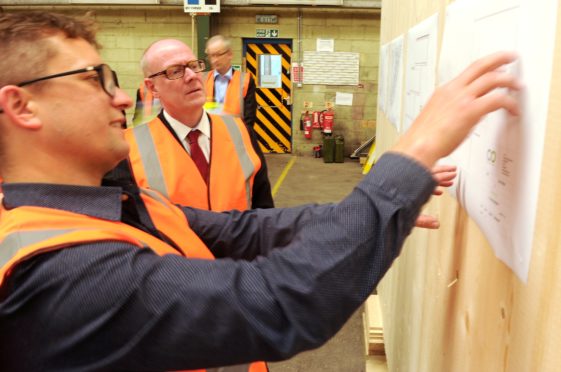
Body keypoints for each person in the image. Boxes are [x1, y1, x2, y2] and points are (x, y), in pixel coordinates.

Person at [0, 11, 520, 372]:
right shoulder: (58, 271)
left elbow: (246, 225)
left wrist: (370, 211)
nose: (119, 97)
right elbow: (279, 299)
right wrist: (413, 154)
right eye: (96, 79)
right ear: (22, 107)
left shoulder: (116, 205)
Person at [125, 38, 274, 212]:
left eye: (194, 66)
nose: (192, 76)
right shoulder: (129, 150)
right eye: (175, 71)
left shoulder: (242, 134)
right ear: (153, 88)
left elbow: (264, 212)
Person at [204, 34, 257, 129]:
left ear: (230, 54)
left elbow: (249, 119)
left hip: (236, 138)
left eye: (219, 54)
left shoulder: (245, 80)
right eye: (211, 55)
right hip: (209, 138)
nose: (214, 60)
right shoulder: (202, 80)